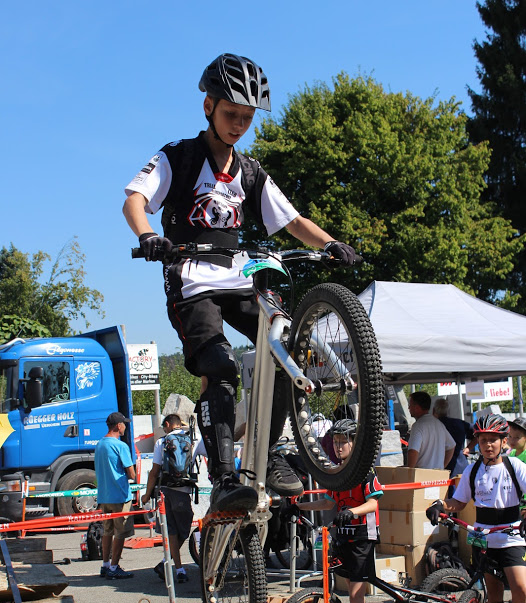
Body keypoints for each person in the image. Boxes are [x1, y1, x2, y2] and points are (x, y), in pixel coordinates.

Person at [123, 53, 362, 514]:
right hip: (191, 282)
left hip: (237, 279)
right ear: (208, 106)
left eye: (247, 118)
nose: (238, 125)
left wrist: (331, 243)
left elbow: (292, 220)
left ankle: (269, 454)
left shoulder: (249, 172)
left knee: (286, 349)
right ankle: (224, 478)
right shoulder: (179, 157)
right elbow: (135, 199)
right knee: (221, 366)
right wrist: (148, 235)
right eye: (231, 114)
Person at [426, 414, 526, 603]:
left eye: (493, 440)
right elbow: (458, 502)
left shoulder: (515, 466)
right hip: (482, 537)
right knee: (494, 595)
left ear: (504, 441)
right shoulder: (473, 470)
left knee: (521, 590)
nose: (488, 445)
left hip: (511, 537)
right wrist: (439, 505)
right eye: (483, 440)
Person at [296, 419, 383, 603]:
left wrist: (352, 512)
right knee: (348, 588)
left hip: (362, 537)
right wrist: (299, 507)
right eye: (335, 441)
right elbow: (328, 502)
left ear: (355, 443)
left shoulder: (365, 472)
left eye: (343, 441)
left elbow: (373, 503)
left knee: (355, 595)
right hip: (343, 537)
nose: (338, 446)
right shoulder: (338, 473)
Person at [141, 414, 194, 583]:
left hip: (166, 490)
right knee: (184, 531)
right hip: (183, 491)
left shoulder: (162, 442)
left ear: (168, 424)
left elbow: (154, 471)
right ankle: (177, 568)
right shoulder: (191, 440)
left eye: (164, 427)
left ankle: (172, 566)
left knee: (171, 530)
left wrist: (147, 494)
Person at [94, 412, 136, 580]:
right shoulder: (120, 446)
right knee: (120, 532)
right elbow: (131, 474)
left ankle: (105, 564)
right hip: (120, 496)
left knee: (107, 531)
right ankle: (114, 566)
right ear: (118, 426)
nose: (125, 426)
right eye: (124, 424)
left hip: (104, 496)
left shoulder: (99, 444)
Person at [407, 391, 455, 470]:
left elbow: (413, 451)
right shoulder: (439, 424)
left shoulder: (418, 426)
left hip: (422, 474)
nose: (409, 408)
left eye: (410, 405)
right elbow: (451, 446)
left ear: (417, 407)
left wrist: (409, 471)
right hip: (438, 475)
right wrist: (442, 466)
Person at [432, 397, 475, 476]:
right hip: (460, 466)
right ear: (447, 411)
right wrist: (468, 448)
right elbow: (478, 433)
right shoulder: (459, 423)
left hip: (439, 466)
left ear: (433, 410)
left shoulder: (432, 426)